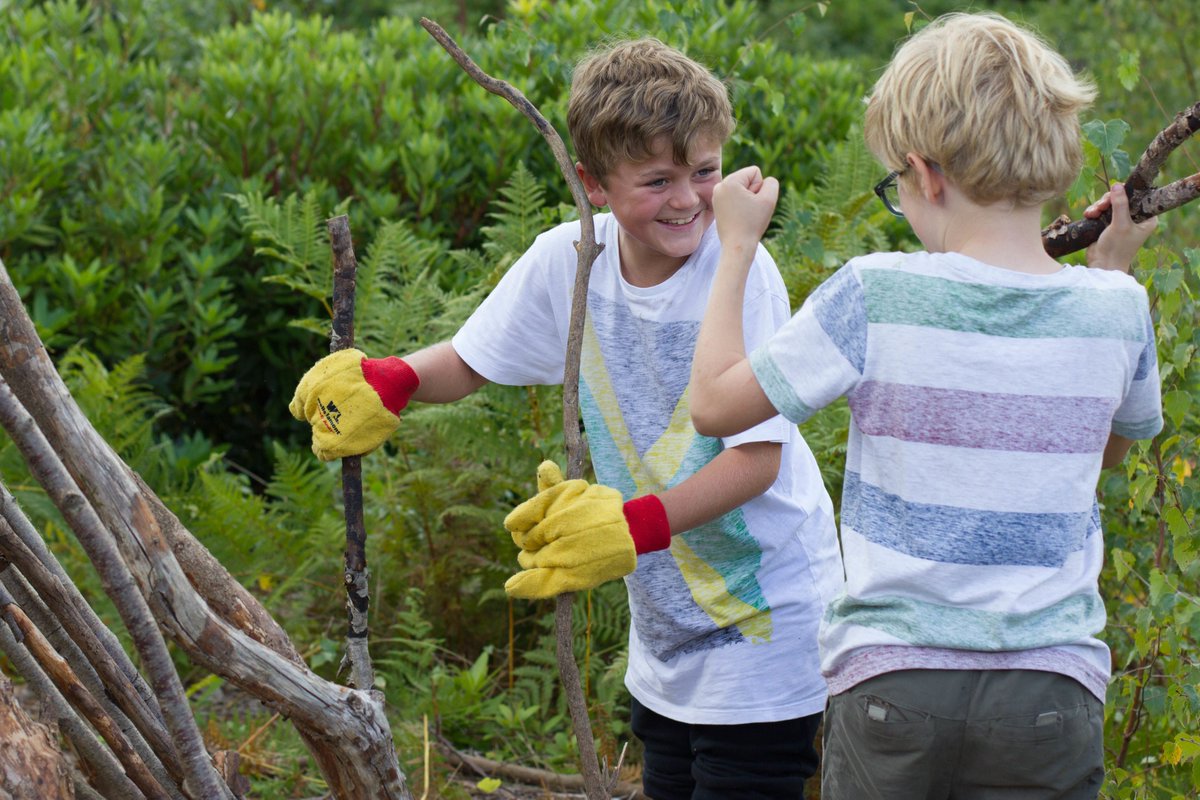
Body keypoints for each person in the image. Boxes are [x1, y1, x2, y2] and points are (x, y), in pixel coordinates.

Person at [290, 38, 842, 799]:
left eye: (705, 171)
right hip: (666, 633)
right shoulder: (572, 260)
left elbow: (759, 459)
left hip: (767, 622)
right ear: (593, 183)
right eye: (657, 180)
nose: (688, 200)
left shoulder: (740, 271)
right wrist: (394, 380)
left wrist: (635, 527)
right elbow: (474, 358)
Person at [688, 12, 1162, 800]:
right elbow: (1103, 452)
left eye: (895, 185)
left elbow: (712, 405)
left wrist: (735, 245)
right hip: (1047, 692)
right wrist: (1113, 271)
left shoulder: (877, 294)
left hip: (895, 684)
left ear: (925, 174)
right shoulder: (1118, 309)